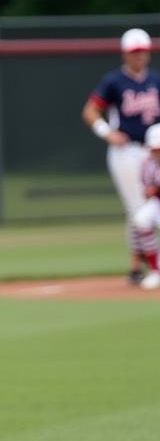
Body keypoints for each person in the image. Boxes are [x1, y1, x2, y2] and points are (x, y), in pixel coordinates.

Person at [81, 28, 160, 285]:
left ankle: (136, 267)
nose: (139, 57)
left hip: (153, 153)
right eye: (134, 52)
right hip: (126, 152)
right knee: (139, 207)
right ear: (126, 54)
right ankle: (150, 267)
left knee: (141, 209)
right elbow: (90, 111)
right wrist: (107, 132)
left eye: (143, 52)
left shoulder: (155, 81)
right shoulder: (114, 81)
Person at [131, 122, 160, 289]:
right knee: (141, 219)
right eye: (154, 149)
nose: (156, 152)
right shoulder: (146, 163)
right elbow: (145, 189)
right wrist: (151, 191)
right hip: (157, 203)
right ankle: (155, 271)